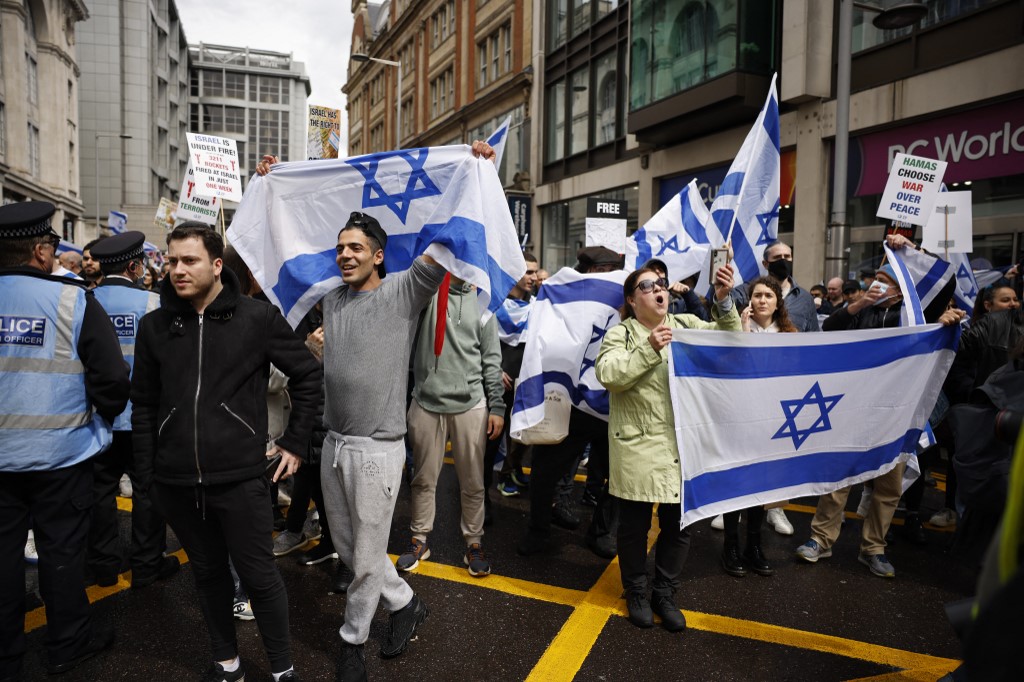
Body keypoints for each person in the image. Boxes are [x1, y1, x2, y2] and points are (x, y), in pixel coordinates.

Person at [256, 140, 499, 681]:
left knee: (364, 556)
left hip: (377, 451)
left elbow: (447, 240)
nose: (344, 255)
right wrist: (272, 187)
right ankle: (406, 602)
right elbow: (280, 246)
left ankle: (351, 647)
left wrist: (476, 172)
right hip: (332, 445)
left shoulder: (405, 291)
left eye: (356, 248)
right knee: (348, 548)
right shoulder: (332, 298)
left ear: (379, 255)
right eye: (340, 247)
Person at [131, 222, 321, 682]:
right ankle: (227, 663)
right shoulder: (155, 326)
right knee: (208, 574)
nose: (177, 269)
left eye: (189, 260)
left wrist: (296, 441)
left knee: (259, 577)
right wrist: (147, 477)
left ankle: (282, 670)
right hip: (175, 483)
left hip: (240, 479)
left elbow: (307, 375)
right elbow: (144, 405)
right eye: (172, 260)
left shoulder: (256, 318)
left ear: (217, 266)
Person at [0, 201, 130, 678]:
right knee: (61, 554)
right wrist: (100, 419)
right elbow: (113, 380)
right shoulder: (72, 299)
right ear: (39, 251)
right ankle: (66, 644)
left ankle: (7, 655)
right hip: (62, 455)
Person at [800, 235, 963, 578]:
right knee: (839, 478)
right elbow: (830, 327)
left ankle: (873, 547)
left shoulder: (917, 315)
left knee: (888, 486)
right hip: (854, 409)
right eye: (877, 277)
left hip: (896, 414)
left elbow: (943, 280)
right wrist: (857, 306)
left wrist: (912, 250)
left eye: (886, 279)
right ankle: (820, 540)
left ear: (903, 286)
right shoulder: (862, 312)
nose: (878, 283)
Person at [595, 262, 740, 631]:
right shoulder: (621, 334)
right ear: (632, 299)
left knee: (679, 526)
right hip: (638, 446)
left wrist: (723, 301)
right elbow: (610, 375)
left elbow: (729, 343)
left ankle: (665, 592)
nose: (659, 288)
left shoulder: (685, 325)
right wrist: (648, 347)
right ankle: (637, 591)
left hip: (683, 444)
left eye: (661, 283)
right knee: (633, 527)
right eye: (647, 285)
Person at [86, 231, 180, 589]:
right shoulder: (153, 304)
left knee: (100, 491)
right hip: (143, 416)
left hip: (98, 417)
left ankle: (103, 565)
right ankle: (146, 564)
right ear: (134, 265)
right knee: (146, 491)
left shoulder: (85, 300)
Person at [517, 246, 623, 561]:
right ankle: (538, 530)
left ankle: (602, 533)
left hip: (614, 401)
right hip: (573, 402)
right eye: (609, 271)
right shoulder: (562, 297)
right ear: (597, 272)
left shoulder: (627, 297)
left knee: (617, 476)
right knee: (546, 468)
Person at [397, 275, 505, 577]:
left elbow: (491, 361)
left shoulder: (484, 302)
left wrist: (497, 406)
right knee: (422, 478)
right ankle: (419, 539)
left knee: (472, 482)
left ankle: (473, 542)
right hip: (426, 401)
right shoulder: (427, 292)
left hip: (471, 403)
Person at [718, 277, 799, 579]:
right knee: (736, 483)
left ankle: (754, 545)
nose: (762, 300)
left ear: (778, 302)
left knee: (759, 487)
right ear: (749, 300)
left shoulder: (791, 335)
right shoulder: (738, 330)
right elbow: (730, 369)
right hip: (740, 419)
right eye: (757, 295)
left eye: (768, 295)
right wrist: (742, 333)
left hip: (773, 420)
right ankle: (730, 546)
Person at [487, 253, 538, 500]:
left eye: (535, 272)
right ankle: (486, 489)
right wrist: (494, 370)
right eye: (528, 271)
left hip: (525, 378)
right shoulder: (493, 303)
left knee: (523, 432)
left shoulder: (537, 305)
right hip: (500, 380)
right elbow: (481, 342)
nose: (534, 277)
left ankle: (511, 471)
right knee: (495, 437)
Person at [755, 241, 820, 332]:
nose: (783, 261)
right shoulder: (751, 292)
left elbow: (813, 335)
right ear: (766, 264)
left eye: (787, 256)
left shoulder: (805, 298)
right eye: (777, 257)